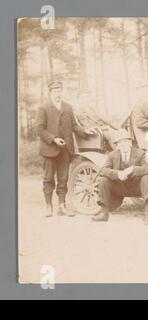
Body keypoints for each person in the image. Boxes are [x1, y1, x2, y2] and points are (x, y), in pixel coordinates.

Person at [35, 80, 96, 218]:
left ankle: (62, 206)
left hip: (65, 149)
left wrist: (85, 131)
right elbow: (39, 129)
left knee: (63, 179)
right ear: (50, 92)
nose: (58, 94)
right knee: (48, 179)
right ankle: (48, 206)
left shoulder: (68, 107)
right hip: (49, 149)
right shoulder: (43, 108)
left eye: (60, 91)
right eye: (55, 91)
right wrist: (53, 139)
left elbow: (74, 126)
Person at [94, 129, 148, 224]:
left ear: (130, 142)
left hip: (137, 187)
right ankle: (104, 213)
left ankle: (147, 214)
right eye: (120, 143)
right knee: (103, 179)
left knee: (146, 177)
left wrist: (133, 169)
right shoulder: (113, 155)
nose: (123, 145)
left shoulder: (140, 153)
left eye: (125, 142)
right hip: (120, 188)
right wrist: (117, 174)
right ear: (117, 145)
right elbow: (102, 170)